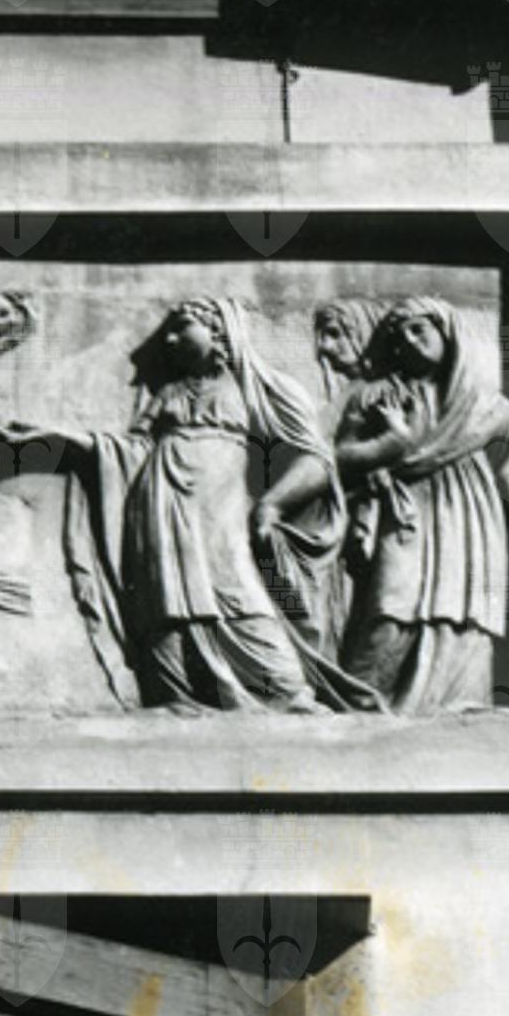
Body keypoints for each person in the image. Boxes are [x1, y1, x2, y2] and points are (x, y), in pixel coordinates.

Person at [51, 298, 373, 712]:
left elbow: (317, 459)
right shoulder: (168, 392)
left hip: (223, 513)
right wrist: (68, 441)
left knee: (241, 593)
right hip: (161, 506)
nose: (170, 339)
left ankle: (286, 692)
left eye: (181, 326)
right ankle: (177, 695)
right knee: (165, 601)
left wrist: (272, 505)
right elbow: (133, 448)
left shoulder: (260, 388)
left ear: (220, 330)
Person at [258, 295, 509, 714]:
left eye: (418, 329)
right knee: (391, 604)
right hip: (403, 509)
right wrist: (386, 445)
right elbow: (336, 455)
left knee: (461, 609)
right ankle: (363, 704)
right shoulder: (377, 394)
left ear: (447, 333)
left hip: (466, 511)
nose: (409, 340)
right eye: (399, 336)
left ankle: (459, 702)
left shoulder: (476, 400)